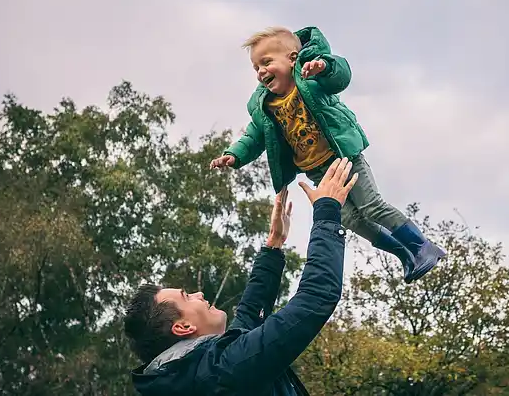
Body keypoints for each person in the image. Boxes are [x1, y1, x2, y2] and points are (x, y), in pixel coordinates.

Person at [210, 26, 446, 283]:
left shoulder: (311, 75)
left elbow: (341, 76)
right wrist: (235, 155)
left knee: (371, 206)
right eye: (256, 68)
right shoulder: (264, 105)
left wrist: (324, 67)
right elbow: (254, 136)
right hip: (317, 171)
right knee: (350, 219)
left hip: (344, 158)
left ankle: (423, 246)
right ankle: (405, 254)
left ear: (292, 59)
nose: (261, 72)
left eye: (266, 62)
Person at [125, 158, 359, 395]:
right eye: (187, 297)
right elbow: (315, 299)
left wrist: (273, 247)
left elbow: (248, 318)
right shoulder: (221, 371)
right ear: (183, 327)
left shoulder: (200, 373)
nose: (199, 294)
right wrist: (327, 211)